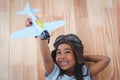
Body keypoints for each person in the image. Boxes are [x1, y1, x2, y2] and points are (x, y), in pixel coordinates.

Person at [26, 18, 110, 80]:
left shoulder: (84, 73)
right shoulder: (54, 73)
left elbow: (105, 60)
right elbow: (46, 58)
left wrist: (80, 57)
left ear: (75, 54)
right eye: (59, 53)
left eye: (67, 52)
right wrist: (37, 25)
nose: (62, 56)